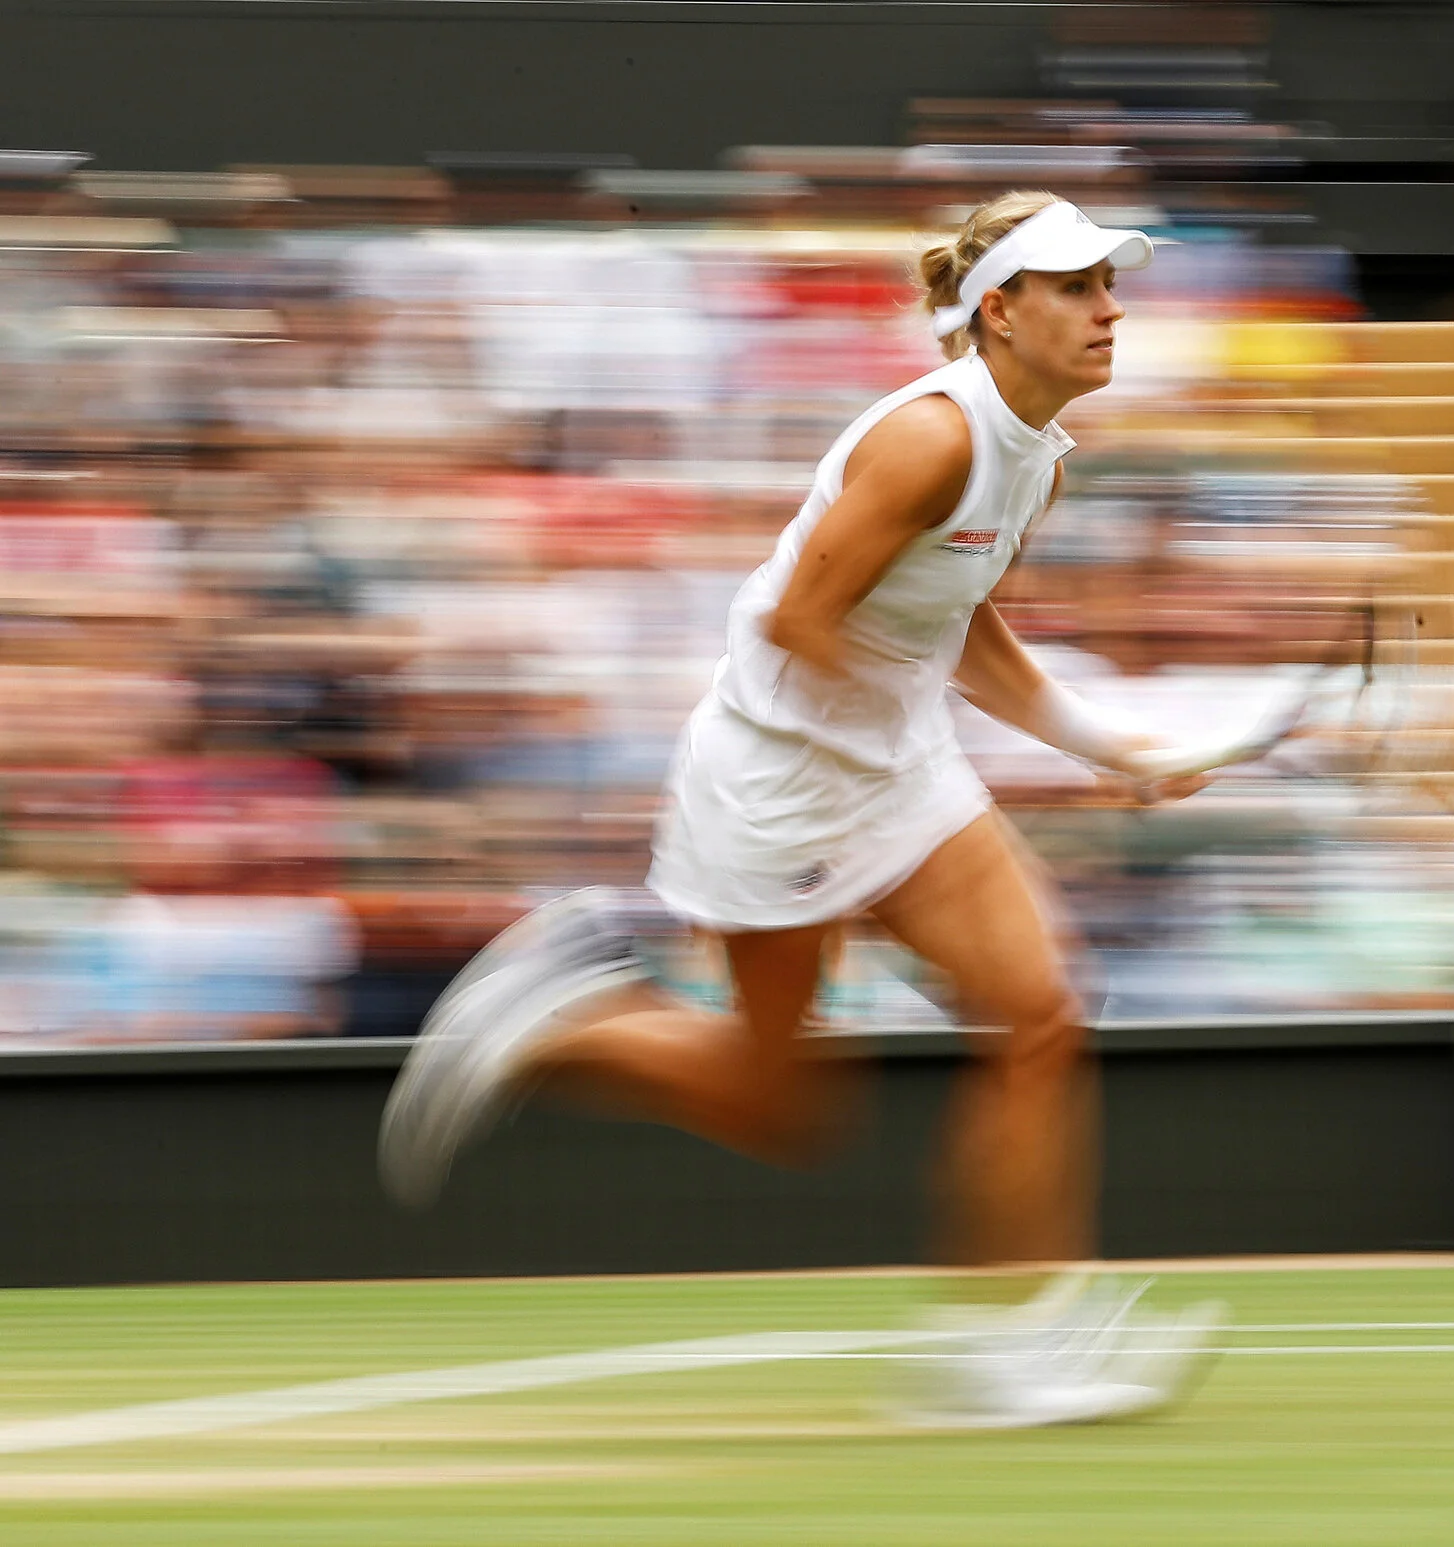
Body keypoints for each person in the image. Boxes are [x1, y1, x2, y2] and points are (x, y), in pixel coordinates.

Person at [377, 192, 1242, 1428]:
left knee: (1040, 1013)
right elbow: (799, 622)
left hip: (894, 770)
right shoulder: (932, 439)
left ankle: (1012, 1341)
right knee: (779, 1110)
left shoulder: (1037, 455)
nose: (1111, 310)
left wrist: (1104, 741)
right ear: (1000, 311)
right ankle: (551, 1016)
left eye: (1113, 285)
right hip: (781, 789)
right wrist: (948, 744)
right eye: (1078, 287)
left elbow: (954, 621)